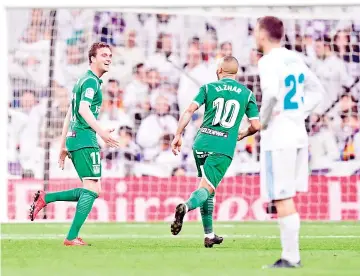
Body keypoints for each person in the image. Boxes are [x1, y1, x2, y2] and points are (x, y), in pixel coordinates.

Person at [29, 42, 120, 246]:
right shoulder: (90, 82)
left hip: (76, 137)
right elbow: (82, 110)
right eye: (103, 55)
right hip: (84, 138)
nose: (108, 59)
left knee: (93, 189)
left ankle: (47, 198)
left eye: (110, 55)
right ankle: (70, 237)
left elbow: (70, 113)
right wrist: (102, 132)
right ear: (92, 58)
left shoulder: (82, 81)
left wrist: (63, 145)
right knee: (91, 189)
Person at [253, 16, 324, 268]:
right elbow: (318, 91)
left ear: (262, 34)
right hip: (298, 135)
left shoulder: (267, 61)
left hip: (278, 137)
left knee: (282, 197)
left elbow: (271, 93)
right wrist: (297, 112)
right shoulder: (295, 58)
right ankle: (290, 255)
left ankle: (291, 257)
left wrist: (261, 121)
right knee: (285, 196)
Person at [170, 56, 261, 248]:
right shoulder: (247, 93)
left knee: (207, 189)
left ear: (219, 70)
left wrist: (178, 134)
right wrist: (244, 133)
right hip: (222, 148)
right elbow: (256, 125)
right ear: (236, 73)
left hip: (201, 143)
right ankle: (185, 207)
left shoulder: (208, 88)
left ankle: (209, 234)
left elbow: (188, 111)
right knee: (206, 189)